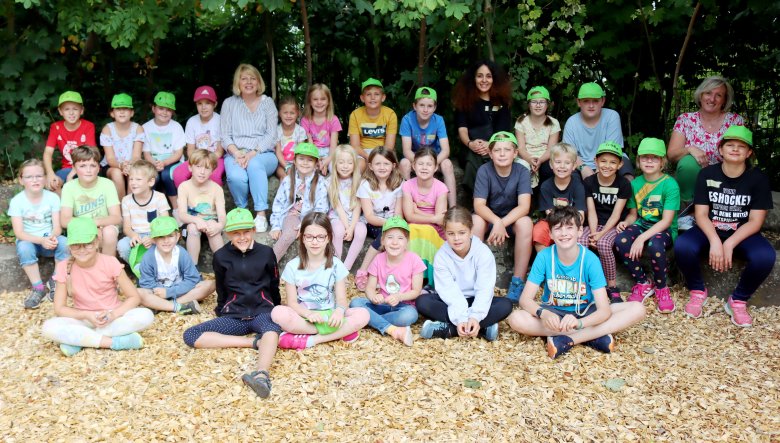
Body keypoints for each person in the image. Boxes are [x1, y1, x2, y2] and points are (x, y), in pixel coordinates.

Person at [507, 206, 646, 359]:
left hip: (586, 312)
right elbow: (525, 299)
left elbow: (604, 310)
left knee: (637, 308)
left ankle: (569, 340)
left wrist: (579, 324)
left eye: (569, 227)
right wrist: (544, 313)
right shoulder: (544, 257)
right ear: (551, 234)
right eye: (558, 229)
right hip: (555, 313)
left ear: (579, 232)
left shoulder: (590, 259)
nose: (564, 233)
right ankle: (594, 336)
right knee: (516, 319)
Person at [674, 126, 774, 327]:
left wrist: (728, 244)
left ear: (749, 153)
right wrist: (715, 241)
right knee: (683, 246)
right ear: (720, 149)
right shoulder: (707, 174)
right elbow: (701, 214)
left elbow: (756, 221)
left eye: (741, 146)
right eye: (730, 145)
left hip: (743, 232)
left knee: (765, 256)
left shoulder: (758, 179)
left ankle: (738, 300)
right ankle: (697, 291)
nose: (735, 149)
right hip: (711, 228)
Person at [182, 208, 282, 399]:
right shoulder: (221, 256)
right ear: (228, 234)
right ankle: (253, 342)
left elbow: (273, 283)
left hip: (262, 312)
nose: (242, 237)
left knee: (272, 329)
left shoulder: (266, 253)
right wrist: (222, 309)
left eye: (246, 232)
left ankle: (261, 375)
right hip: (235, 316)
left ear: (253, 230)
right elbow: (222, 287)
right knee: (191, 334)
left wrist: (276, 307)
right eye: (236, 233)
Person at [41, 217, 154, 357]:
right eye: (76, 245)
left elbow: (134, 297)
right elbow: (59, 308)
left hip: (112, 318)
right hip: (83, 319)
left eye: (87, 244)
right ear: (70, 246)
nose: (82, 250)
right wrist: (86, 315)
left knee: (146, 315)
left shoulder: (110, 262)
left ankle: (81, 340)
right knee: (48, 327)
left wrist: (113, 315)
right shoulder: (64, 266)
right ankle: (114, 342)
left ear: (96, 242)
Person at [271, 212, 370, 349]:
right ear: (302, 238)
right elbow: (292, 303)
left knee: (363, 314)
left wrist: (339, 312)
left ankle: (312, 340)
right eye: (309, 237)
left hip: (329, 316)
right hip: (305, 317)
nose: (315, 241)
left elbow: (341, 301)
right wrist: (308, 314)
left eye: (320, 237)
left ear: (328, 238)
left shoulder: (336, 265)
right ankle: (340, 332)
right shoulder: (292, 266)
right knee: (278, 313)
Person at [416, 206, 513, 341]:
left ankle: (450, 329)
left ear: (471, 231)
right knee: (423, 302)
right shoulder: (441, 256)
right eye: (451, 233)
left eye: (462, 233)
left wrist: (475, 316)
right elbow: (448, 290)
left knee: (505, 305)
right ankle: (482, 328)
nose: (456, 238)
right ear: (444, 232)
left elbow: (484, 289)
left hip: (475, 300)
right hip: (451, 302)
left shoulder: (483, 253)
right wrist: (460, 318)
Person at [666, 76, 745, 230]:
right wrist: (689, 148)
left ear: (724, 100)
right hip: (695, 177)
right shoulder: (686, 120)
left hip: (725, 177)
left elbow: (742, 152)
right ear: (700, 95)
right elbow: (672, 155)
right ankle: (689, 212)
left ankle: (717, 215)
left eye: (719, 95)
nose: (712, 99)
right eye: (708, 93)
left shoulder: (735, 121)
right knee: (688, 163)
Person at [615, 138, 680, 313]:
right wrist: (625, 223)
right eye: (645, 157)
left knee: (655, 244)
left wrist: (642, 238)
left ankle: (661, 287)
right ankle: (643, 282)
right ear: (638, 161)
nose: (649, 161)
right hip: (642, 224)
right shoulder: (635, 184)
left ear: (662, 162)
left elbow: (666, 221)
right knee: (621, 240)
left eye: (654, 158)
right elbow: (633, 215)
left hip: (663, 228)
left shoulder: (669, 184)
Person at [471, 132, 534, 303]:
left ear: (515, 153)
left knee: (526, 223)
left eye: (507, 150)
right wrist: (496, 222)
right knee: (475, 221)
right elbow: (479, 205)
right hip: (489, 218)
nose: (502, 153)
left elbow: (524, 206)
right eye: (497, 150)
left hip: (511, 220)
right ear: (490, 154)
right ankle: (473, 279)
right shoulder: (484, 171)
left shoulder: (522, 171)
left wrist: (503, 223)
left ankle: (517, 282)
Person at [221, 63, 279, 232]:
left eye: (253, 78)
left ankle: (261, 214)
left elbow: (272, 134)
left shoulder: (267, 103)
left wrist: (254, 152)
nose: (248, 82)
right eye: (244, 78)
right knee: (236, 177)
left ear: (258, 82)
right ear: (237, 83)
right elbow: (224, 135)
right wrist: (237, 153)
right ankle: (243, 212)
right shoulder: (229, 103)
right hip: (236, 153)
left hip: (263, 153)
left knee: (254, 165)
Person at [349, 216, 423, 346]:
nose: (395, 242)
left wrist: (399, 296)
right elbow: (370, 288)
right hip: (381, 304)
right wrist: (373, 297)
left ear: (407, 241)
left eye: (400, 238)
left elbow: (416, 291)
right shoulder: (378, 259)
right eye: (390, 237)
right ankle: (391, 328)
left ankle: (369, 321)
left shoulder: (414, 260)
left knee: (410, 315)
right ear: (383, 240)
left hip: (403, 306)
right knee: (355, 302)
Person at [10, 159, 69, 308]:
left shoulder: (53, 198)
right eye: (29, 177)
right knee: (24, 247)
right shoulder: (17, 201)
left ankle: (56, 281)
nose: (35, 180)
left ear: (44, 178)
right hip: (29, 241)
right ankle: (38, 288)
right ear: (21, 180)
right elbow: (19, 233)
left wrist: (51, 237)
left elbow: (58, 227)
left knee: (64, 242)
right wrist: (40, 240)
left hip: (49, 240)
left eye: (39, 176)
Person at [579, 142, 631, 303]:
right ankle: (582, 283)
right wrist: (594, 232)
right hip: (594, 224)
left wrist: (600, 235)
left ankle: (612, 286)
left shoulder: (623, 184)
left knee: (602, 244)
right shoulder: (589, 182)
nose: (607, 166)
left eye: (613, 162)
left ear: (620, 164)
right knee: (579, 241)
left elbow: (616, 215)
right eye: (603, 161)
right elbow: (591, 210)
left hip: (612, 225)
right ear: (595, 161)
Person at [453, 60, 512, 192]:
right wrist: (470, 144)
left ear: (494, 79)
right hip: (470, 147)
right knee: (473, 159)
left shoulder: (502, 103)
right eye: (480, 76)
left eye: (488, 76)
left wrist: (490, 144)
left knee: (494, 158)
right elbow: (462, 129)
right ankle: (480, 198)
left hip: (495, 146)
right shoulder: (464, 101)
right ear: (473, 79)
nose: (484, 80)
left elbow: (502, 132)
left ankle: (482, 197)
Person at [137, 216, 215, 314]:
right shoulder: (148, 257)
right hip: (158, 293)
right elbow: (147, 284)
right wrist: (161, 292)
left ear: (177, 236)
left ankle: (165, 305)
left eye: (170, 236)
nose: (166, 241)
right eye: (161, 237)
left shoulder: (182, 253)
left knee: (210, 285)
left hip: (181, 292)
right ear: (154, 239)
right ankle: (178, 306)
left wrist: (169, 292)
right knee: (139, 293)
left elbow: (192, 279)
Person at [353, 148, 404, 290]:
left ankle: (390, 276)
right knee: (386, 235)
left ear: (393, 166)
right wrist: (389, 224)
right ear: (370, 166)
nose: (382, 167)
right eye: (378, 164)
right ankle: (362, 272)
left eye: (386, 164)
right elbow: (369, 216)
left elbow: (399, 213)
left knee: (394, 236)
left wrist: (394, 224)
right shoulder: (365, 185)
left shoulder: (399, 183)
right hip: (373, 223)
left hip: (393, 223)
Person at [269, 142, 329, 261]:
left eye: (310, 160)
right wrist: (275, 226)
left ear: (316, 164)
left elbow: (321, 209)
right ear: (295, 161)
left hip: (312, 218)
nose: (305, 163)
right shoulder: (288, 180)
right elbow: (278, 204)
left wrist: (306, 224)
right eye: (301, 159)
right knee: (289, 235)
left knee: (316, 238)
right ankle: (269, 266)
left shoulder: (321, 183)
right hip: (292, 215)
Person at [60, 145, 122, 257]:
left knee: (110, 232)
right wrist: (90, 227)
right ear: (74, 168)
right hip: (80, 229)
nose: (88, 170)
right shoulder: (69, 187)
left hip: (104, 227)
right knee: (89, 235)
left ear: (98, 168)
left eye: (92, 166)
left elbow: (117, 217)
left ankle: (108, 268)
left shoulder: (107, 184)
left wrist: (95, 223)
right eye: (82, 166)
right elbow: (64, 220)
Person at [399, 87, 456, 207]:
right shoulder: (407, 120)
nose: (425, 109)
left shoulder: (438, 120)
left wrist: (432, 164)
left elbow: (445, 150)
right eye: (422, 105)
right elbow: (406, 150)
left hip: (434, 158)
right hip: (415, 157)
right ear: (415, 106)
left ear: (434, 108)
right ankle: (408, 205)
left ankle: (453, 208)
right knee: (404, 163)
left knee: (447, 164)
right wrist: (420, 163)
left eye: (430, 106)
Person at [562, 82, 633, 179]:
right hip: (581, 163)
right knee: (568, 174)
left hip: (610, 161)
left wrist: (599, 171)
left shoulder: (612, 116)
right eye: (586, 101)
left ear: (603, 101)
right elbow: (569, 153)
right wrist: (583, 168)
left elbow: (613, 149)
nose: (591, 105)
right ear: (579, 102)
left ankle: (628, 194)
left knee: (626, 171)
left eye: (595, 101)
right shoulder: (571, 122)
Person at [532, 143, 586, 252]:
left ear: (574, 166)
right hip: (552, 222)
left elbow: (580, 215)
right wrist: (560, 227)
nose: (562, 166)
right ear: (551, 164)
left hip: (572, 222)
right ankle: (546, 263)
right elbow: (549, 213)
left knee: (578, 235)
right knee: (539, 231)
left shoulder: (578, 186)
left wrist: (567, 227)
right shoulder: (546, 186)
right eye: (558, 162)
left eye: (567, 163)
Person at [176, 149, 226, 264]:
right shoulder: (184, 187)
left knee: (214, 225)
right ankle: (193, 268)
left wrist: (220, 226)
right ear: (190, 167)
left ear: (212, 170)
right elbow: (182, 215)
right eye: (198, 166)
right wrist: (197, 220)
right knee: (193, 228)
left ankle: (224, 265)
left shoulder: (217, 189)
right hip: (190, 226)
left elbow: (222, 215)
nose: (202, 171)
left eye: (207, 168)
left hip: (210, 225)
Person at [43, 91, 96, 194]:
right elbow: (48, 152)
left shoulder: (88, 126)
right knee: (52, 184)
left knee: (79, 183)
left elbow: (91, 154)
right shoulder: (56, 127)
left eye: (75, 109)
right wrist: (50, 173)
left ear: (81, 110)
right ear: (60, 111)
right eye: (67, 109)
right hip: (66, 169)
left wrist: (72, 174)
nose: (71, 113)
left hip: (87, 167)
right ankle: (64, 209)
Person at [117, 160, 170, 263]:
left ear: (151, 182)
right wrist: (133, 236)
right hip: (136, 234)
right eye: (131, 179)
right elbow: (127, 228)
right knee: (122, 246)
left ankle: (156, 266)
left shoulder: (159, 197)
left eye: (138, 179)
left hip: (156, 234)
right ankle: (136, 266)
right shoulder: (126, 200)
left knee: (164, 244)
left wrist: (153, 238)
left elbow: (166, 224)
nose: (133, 183)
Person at [172, 86, 224, 188]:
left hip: (215, 158)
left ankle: (215, 202)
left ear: (215, 104)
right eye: (200, 103)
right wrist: (198, 162)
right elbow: (190, 150)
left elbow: (219, 151)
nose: (203, 107)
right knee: (178, 174)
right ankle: (187, 200)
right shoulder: (191, 122)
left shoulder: (220, 121)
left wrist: (206, 162)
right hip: (196, 158)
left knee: (213, 176)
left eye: (208, 103)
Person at [142, 91, 185, 211]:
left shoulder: (176, 127)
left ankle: (176, 209)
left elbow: (178, 153)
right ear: (153, 109)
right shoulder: (146, 127)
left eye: (168, 110)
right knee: (152, 177)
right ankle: (151, 209)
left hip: (172, 161)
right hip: (153, 162)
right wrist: (155, 163)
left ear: (172, 112)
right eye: (161, 108)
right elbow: (146, 153)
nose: (164, 112)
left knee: (167, 175)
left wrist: (164, 163)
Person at [328, 144, 367, 271]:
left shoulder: (360, 182)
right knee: (338, 231)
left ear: (355, 164)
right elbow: (337, 206)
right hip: (338, 216)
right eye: (341, 162)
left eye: (349, 163)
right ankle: (336, 265)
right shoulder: (330, 182)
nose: (345, 166)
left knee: (361, 231)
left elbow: (357, 207)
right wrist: (346, 226)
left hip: (355, 217)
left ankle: (345, 269)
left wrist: (351, 228)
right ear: (335, 164)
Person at [514, 86, 561, 188]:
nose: (538, 105)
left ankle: (543, 198)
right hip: (525, 156)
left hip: (545, 157)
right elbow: (520, 148)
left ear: (547, 104)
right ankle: (523, 198)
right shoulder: (521, 121)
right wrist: (529, 159)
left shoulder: (553, 123)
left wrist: (539, 160)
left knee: (549, 168)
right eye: (534, 102)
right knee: (522, 167)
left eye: (542, 102)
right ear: (529, 104)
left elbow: (551, 149)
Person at [99, 93, 144, 200]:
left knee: (134, 171)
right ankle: (120, 207)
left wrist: (128, 166)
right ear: (112, 113)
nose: (122, 111)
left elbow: (136, 156)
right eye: (118, 109)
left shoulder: (138, 129)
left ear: (132, 113)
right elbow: (110, 159)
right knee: (117, 173)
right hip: (112, 166)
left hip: (132, 163)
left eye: (126, 109)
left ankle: (131, 205)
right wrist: (121, 166)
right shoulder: (107, 129)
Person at [348, 78, 398, 171]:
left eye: (377, 94)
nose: (373, 97)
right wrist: (368, 157)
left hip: (383, 151)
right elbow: (355, 145)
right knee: (359, 165)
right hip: (362, 152)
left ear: (383, 97)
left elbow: (389, 145)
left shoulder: (390, 114)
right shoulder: (355, 114)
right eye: (368, 94)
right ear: (362, 98)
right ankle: (356, 185)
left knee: (385, 166)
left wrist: (378, 158)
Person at [401, 148, 448, 239]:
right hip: (413, 228)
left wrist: (417, 211)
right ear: (414, 166)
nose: (424, 168)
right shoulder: (407, 185)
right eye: (420, 164)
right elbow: (409, 217)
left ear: (435, 168)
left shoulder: (441, 188)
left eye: (429, 164)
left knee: (429, 232)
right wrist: (434, 218)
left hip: (434, 230)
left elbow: (440, 220)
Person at [301, 83, 342, 175]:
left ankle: (336, 188)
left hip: (330, 152)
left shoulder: (333, 119)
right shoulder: (305, 120)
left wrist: (326, 162)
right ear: (310, 102)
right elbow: (310, 144)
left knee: (335, 168)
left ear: (328, 101)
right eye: (315, 99)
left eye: (323, 99)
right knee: (309, 168)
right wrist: (317, 160)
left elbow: (333, 146)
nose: (319, 102)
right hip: (312, 152)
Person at [273, 96, 308, 179]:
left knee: (294, 176)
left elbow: (301, 151)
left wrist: (294, 166)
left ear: (297, 114)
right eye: (285, 113)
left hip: (296, 163)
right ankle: (283, 191)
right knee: (283, 176)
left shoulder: (300, 131)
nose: (288, 116)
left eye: (292, 113)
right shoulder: (276, 130)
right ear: (279, 113)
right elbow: (278, 152)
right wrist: (286, 166)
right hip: (281, 163)